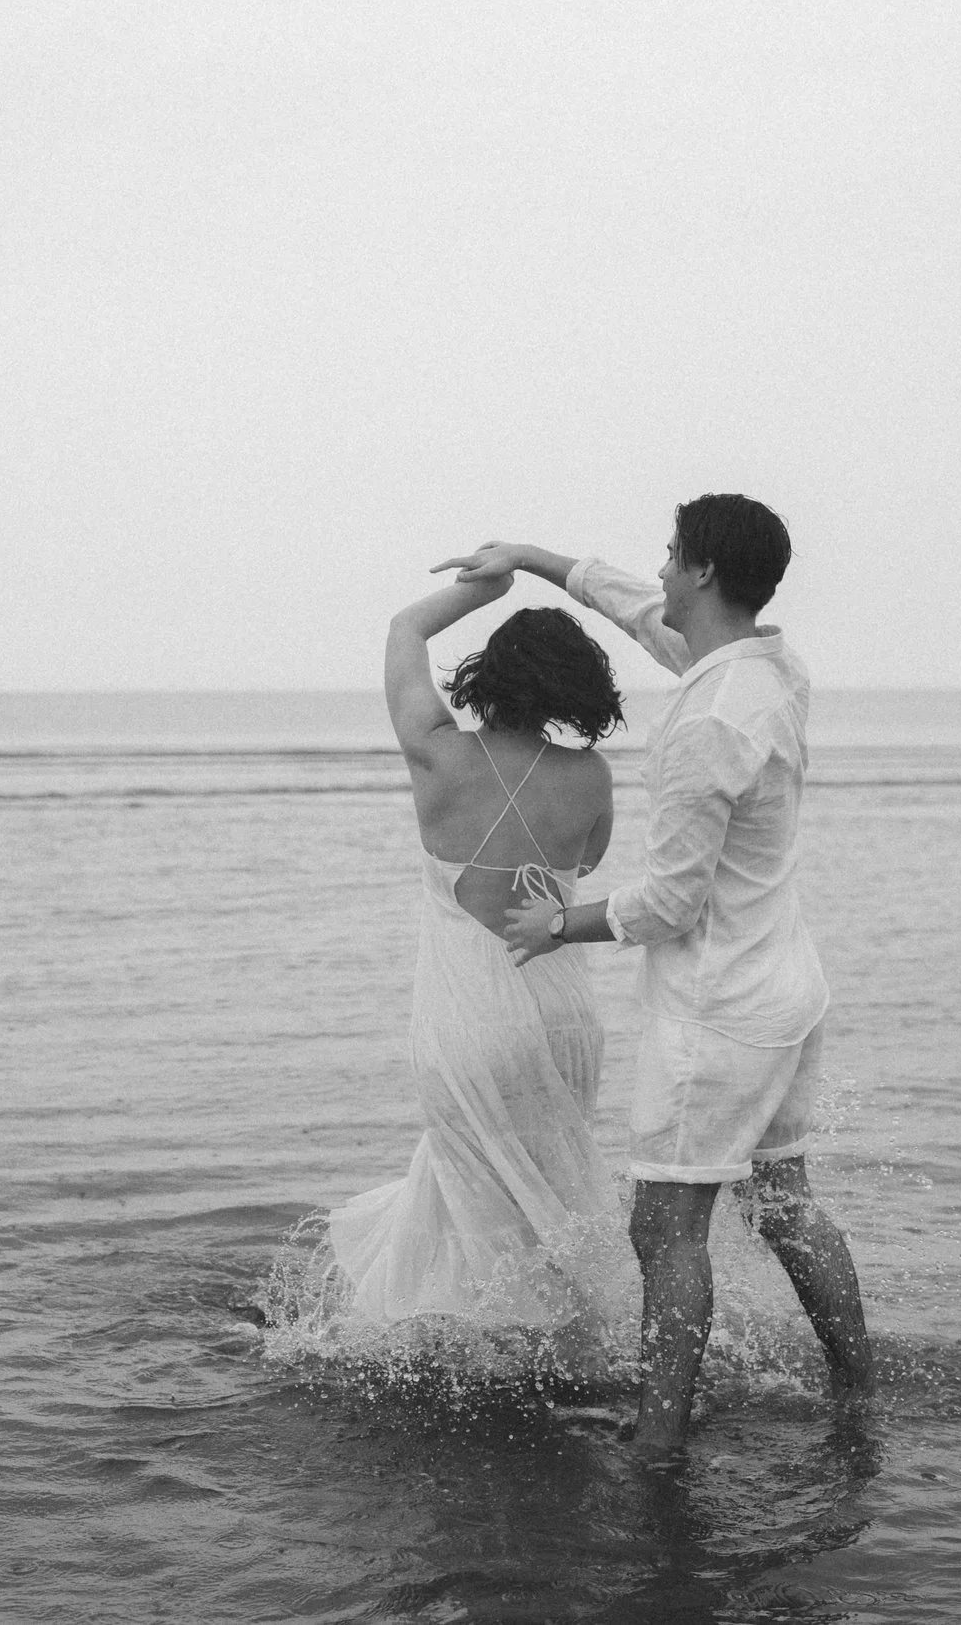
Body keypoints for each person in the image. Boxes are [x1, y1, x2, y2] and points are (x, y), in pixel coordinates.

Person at [436, 495, 874, 1464]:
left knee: (663, 1227)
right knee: (785, 1202)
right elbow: (638, 606)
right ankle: (858, 1392)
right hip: (786, 985)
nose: (661, 569)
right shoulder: (767, 671)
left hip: (719, 1009)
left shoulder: (707, 722)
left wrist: (561, 923)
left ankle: (659, 1444)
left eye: (673, 554)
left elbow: (669, 902)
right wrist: (535, 556)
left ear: (707, 573)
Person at [323, 569, 637, 1354]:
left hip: (467, 1020)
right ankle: (575, 1349)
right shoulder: (590, 777)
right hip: (560, 1017)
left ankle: (488, 1355)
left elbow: (404, 629)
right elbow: (589, 864)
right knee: (555, 1189)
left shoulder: (436, 756)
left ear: (489, 674)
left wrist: (486, 586)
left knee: (478, 1195)